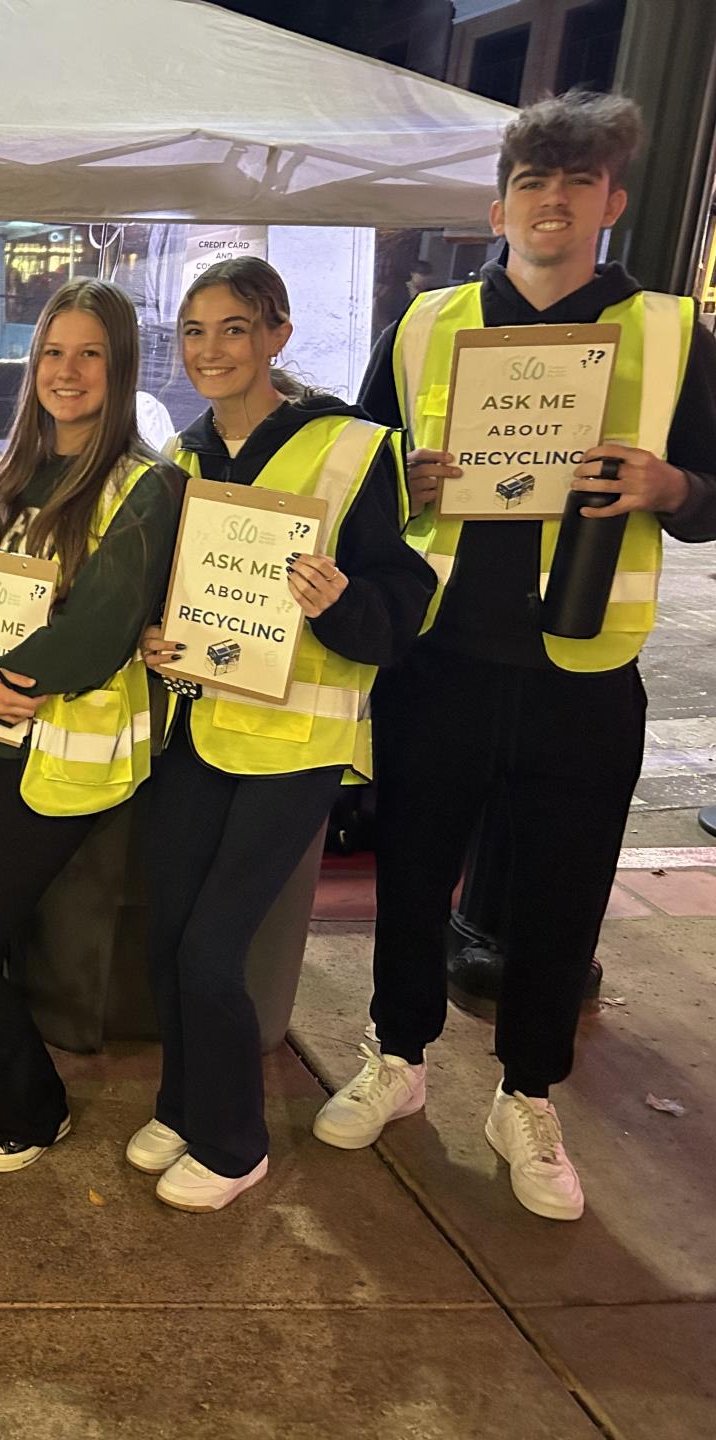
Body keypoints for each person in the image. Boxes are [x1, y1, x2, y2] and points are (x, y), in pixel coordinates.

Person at [313, 92, 716, 1221]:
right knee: (411, 868)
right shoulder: (429, 321)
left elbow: (711, 491)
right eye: (534, 183)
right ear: (501, 203)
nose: (553, 202)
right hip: (439, 657)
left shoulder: (673, 332)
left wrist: (670, 486)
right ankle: (397, 1056)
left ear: (612, 201)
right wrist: (410, 478)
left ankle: (527, 1094)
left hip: (586, 668)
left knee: (564, 894)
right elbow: (360, 475)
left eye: (576, 183)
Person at [132, 257, 435, 1212]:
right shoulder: (180, 461)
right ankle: (186, 1102)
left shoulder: (352, 448)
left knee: (214, 948)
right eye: (193, 331)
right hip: (199, 728)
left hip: (297, 745)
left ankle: (234, 1143)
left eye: (232, 328)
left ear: (277, 336)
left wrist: (342, 602)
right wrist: (152, 636)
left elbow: (404, 606)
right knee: (168, 932)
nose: (210, 349)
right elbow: (169, 594)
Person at [0, 279, 185, 1173]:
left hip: (55, 761)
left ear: (120, 366)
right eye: (53, 352)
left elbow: (92, 639)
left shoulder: (147, 488)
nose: (68, 371)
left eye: (90, 353)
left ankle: (28, 1108)